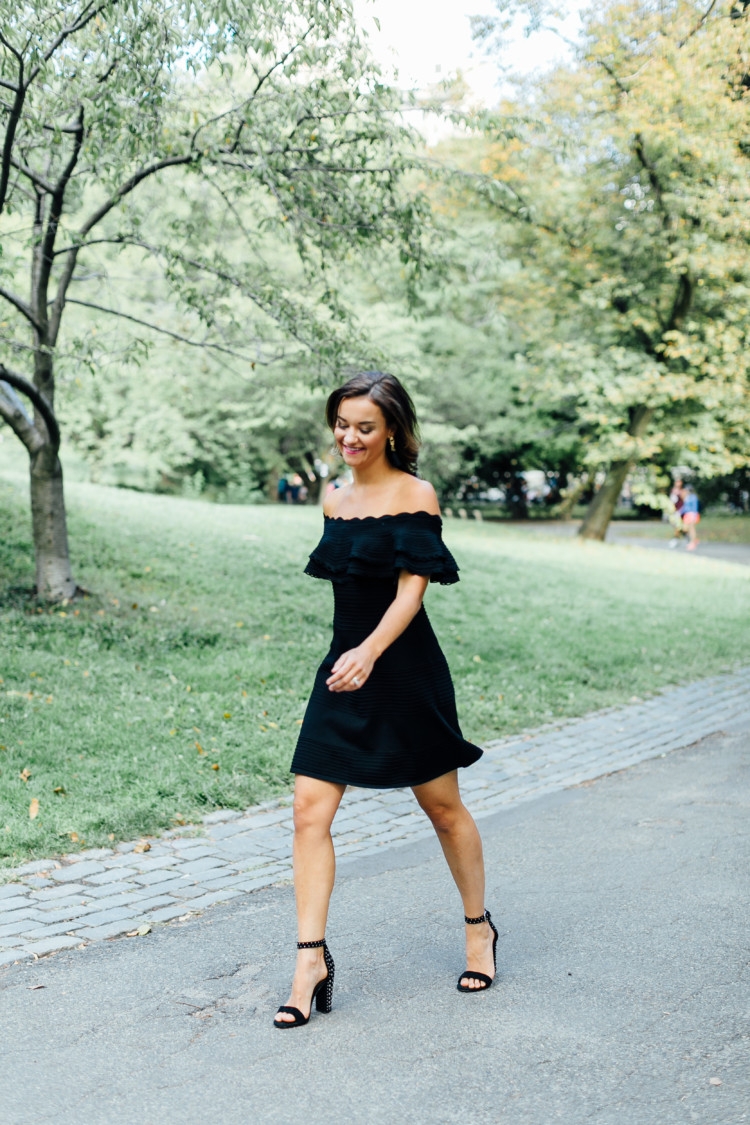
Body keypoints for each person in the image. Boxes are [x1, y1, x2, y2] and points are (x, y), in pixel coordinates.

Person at [274, 371, 496, 1030]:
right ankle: (309, 961)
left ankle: (479, 929)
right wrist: (354, 656)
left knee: (443, 808)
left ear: (393, 430)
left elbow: (411, 589)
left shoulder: (416, 494)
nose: (349, 436)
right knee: (308, 807)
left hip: (402, 672)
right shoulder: (333, 500)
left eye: (364, 426)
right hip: (343, 671)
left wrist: (371, 652)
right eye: (341, 424)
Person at [681, 484, 700, 550]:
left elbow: (695, 507)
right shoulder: (687, 497)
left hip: (692, 514)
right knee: (685, 529)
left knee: (691, 529)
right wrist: (679, 512)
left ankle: (692, 543)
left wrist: (694, 516)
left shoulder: (693, 497)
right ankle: (694, 540)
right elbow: (685, 507)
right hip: (687, 514)